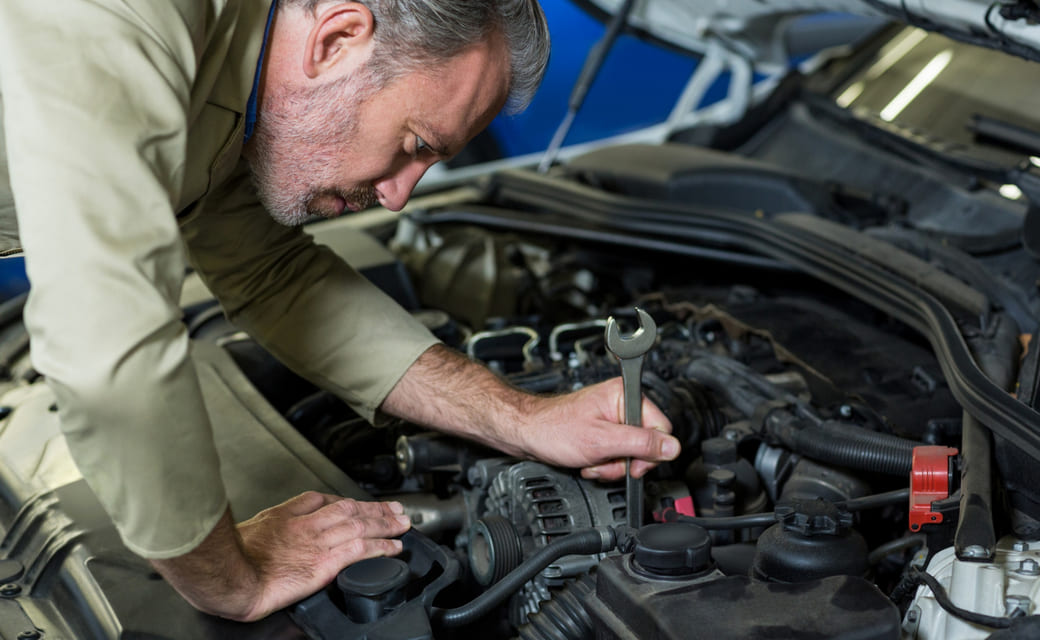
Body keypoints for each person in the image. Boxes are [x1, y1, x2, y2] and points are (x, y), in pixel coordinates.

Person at [0, 0, 679, 623]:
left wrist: (520, 418)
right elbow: (108, 345)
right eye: (416, 144)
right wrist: (229, 579)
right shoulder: (122, 19)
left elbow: (271, 272)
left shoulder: (238, 72)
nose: (399, 198)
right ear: (337, 40)